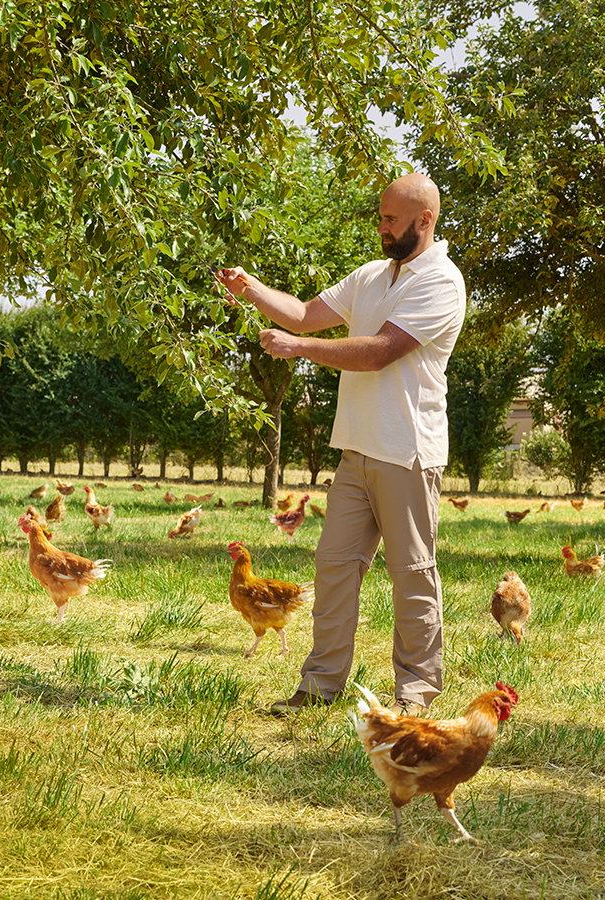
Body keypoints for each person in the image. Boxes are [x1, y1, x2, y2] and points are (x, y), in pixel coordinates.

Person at [217, 172, 466, 717]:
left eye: (392, 219)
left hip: (408, 452)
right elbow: (306, 314)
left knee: (412, 574)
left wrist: (298, 348)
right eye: (380, 216)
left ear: (425, 220)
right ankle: (320, 686)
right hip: (357, 450)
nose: (382, 227)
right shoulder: (372, 276)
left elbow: (380, 350)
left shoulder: (441, 282)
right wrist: (252, 290)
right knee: (332, 569)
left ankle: (416, 694)